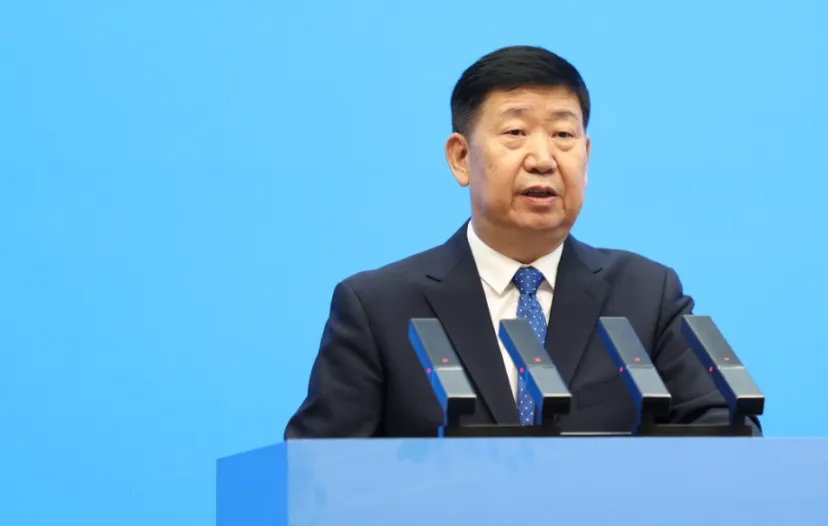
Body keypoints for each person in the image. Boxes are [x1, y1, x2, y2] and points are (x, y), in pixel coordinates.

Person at [284, 45, 762, 438]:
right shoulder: (379, 307)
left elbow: (722, 438)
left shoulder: (646, 295)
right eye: (516, 132)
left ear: (586, 155)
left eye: (563, 134)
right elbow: (316, 478)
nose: (543, 158)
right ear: (460, 158)